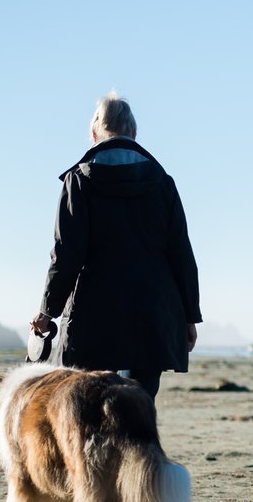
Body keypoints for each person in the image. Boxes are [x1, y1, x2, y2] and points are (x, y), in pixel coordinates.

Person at [32, 93, 199, 407]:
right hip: (152, 313)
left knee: (88, 409)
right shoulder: (162, 182)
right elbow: (181, 252)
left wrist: (47, 310)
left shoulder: (79, 181)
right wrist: (188, 316)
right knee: (140, 412)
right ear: (134, 133)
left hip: (93, 315)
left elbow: (66, 253)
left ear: (95, 134)